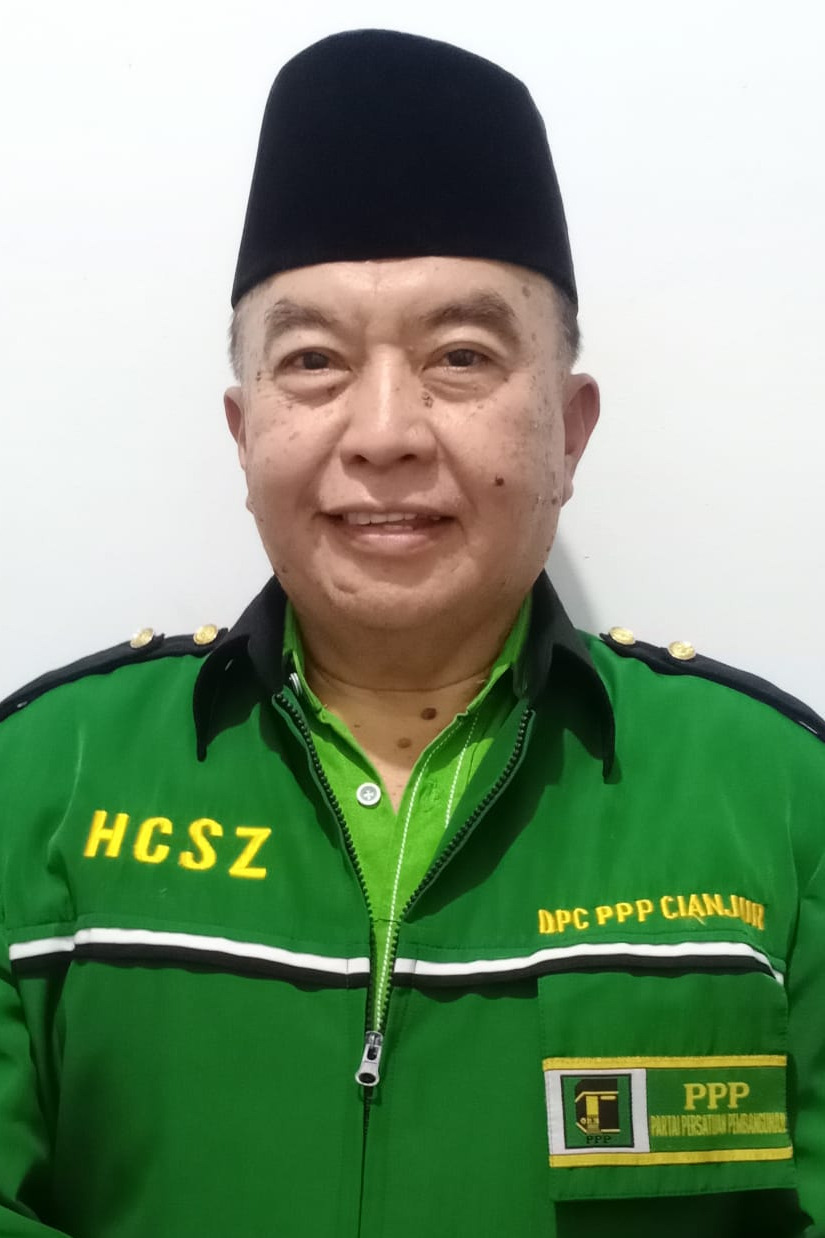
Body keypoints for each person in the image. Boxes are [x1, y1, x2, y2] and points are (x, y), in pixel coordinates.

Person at [0, 27, 823, 1238]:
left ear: (570, 430)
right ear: (244, 431)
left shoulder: (782, 799)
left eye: (461, 356)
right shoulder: (39, 779)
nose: (384, 432)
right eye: (314, 360)